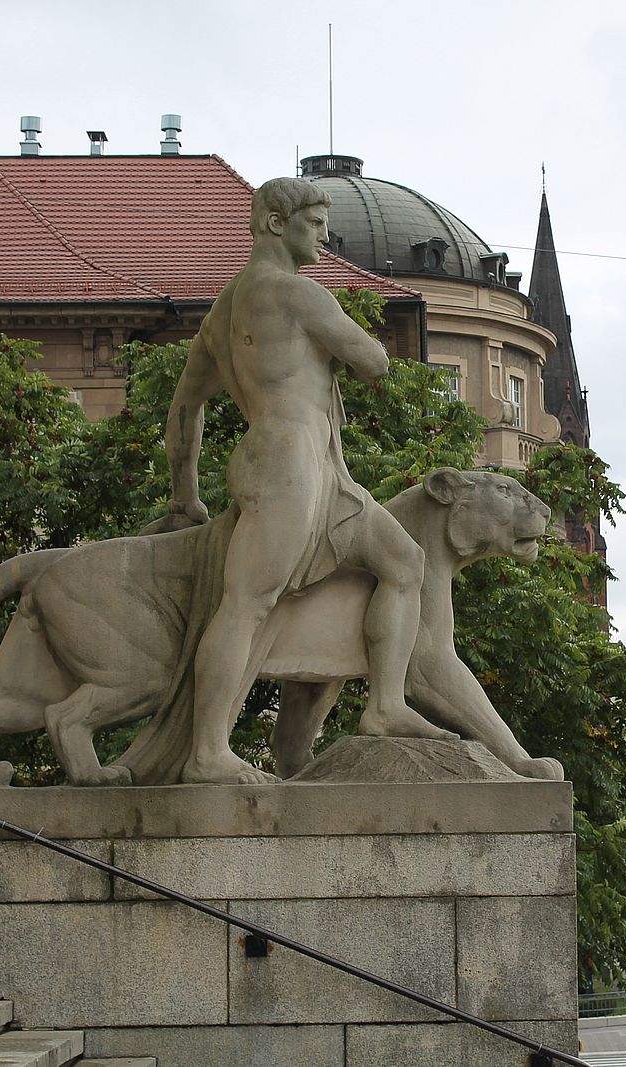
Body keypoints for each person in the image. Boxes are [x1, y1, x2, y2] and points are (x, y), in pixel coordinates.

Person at [160, 176, 449, 784]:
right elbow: (375, 362)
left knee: (404, 559)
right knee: (247, 603)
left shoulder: (221, 316)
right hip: (291, 463)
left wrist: (185, 498)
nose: (324, 234)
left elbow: (185, 408)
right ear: (273, 222)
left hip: (310, 465)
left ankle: (386, 706)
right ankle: (207, 753)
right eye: (315, 223)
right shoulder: (297, 295)